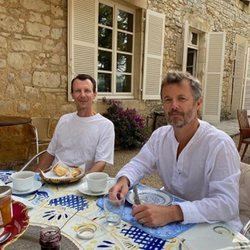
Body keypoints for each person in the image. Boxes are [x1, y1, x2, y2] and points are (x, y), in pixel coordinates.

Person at [110, 70, 242, 231]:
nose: (174, 106)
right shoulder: (160, 136)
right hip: (172, 225)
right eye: (168, 99)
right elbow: (139, 164)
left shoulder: (220, 145)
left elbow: (227, 204)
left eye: (182, 98)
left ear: (198, 103)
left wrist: (173, 212)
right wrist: (124, 180)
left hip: (215, 229)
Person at [36, 74, 115, 173]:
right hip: (54, 177)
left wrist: (81, 184)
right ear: (72, 94)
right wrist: (34, 178)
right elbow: (50, 153)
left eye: (87, 90)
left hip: (80, 180)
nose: (82, 95)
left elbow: (100, 163)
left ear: (94, 94)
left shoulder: (105, 125)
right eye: (78, 91)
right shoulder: (64, 120)